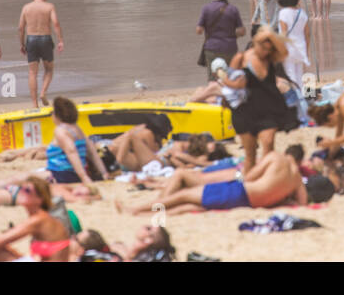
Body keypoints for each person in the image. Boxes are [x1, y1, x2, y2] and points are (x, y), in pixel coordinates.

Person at [123, 147, 306, 215]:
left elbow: (249, 177)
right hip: (249, 204)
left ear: (287, 153)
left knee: (183, 195)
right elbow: (302, 203)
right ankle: (151, 214)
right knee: (198, 206)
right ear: (298, 161)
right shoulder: (297, 178)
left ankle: (138, 209)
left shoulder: (276, 157)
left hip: (240, 192)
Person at [221, 28, 294, 164]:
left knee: (268, 145)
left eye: (269, 49)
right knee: (251, 154)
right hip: (246, 109)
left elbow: (284, 52)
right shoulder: (241, 58)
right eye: (264, 48)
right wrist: (232, 85)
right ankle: (250, 182)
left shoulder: (270, 58)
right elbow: (228, 80)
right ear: (256, 44)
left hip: (268, 109)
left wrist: (271, 35)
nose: (266, 52)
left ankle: (268, 180)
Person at [45, 96, 107, 188]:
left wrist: (84, 177)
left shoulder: (60, 130)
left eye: (52, 112)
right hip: (73, 174)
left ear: (58, 115)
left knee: (23, 178)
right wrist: (104, 172)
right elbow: (92, 152)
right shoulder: (77, 129)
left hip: (61, 175)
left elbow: (71, 151)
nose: (51, 115)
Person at [19, 0, 63, 109]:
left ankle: (34, 104)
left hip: (31, 39)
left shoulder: (26, 7)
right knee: (49, 70)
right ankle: (43, 92)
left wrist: (22, 44)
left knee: (32, 72)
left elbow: (21, 28)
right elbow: (56, 24)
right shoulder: (49, 6)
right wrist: (60, 40)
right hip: (45, 39)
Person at [197, 0, 243, 76]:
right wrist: (233, 35)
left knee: (213, 77)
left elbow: (199, 30)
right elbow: (242, 31)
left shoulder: (206, 9)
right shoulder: (233, 9)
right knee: (230, 76)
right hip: (230, 47)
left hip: (211, 47)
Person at [277, 0, 310, 91]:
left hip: (289, 49)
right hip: (300, 48)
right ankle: (301, 97)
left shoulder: (283, 13)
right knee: (299, 77)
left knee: (290, 76)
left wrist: (280, 51)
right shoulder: (302, 13)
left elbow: (284, 34)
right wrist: (306, 50)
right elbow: (307, 34)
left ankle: (296, 101)